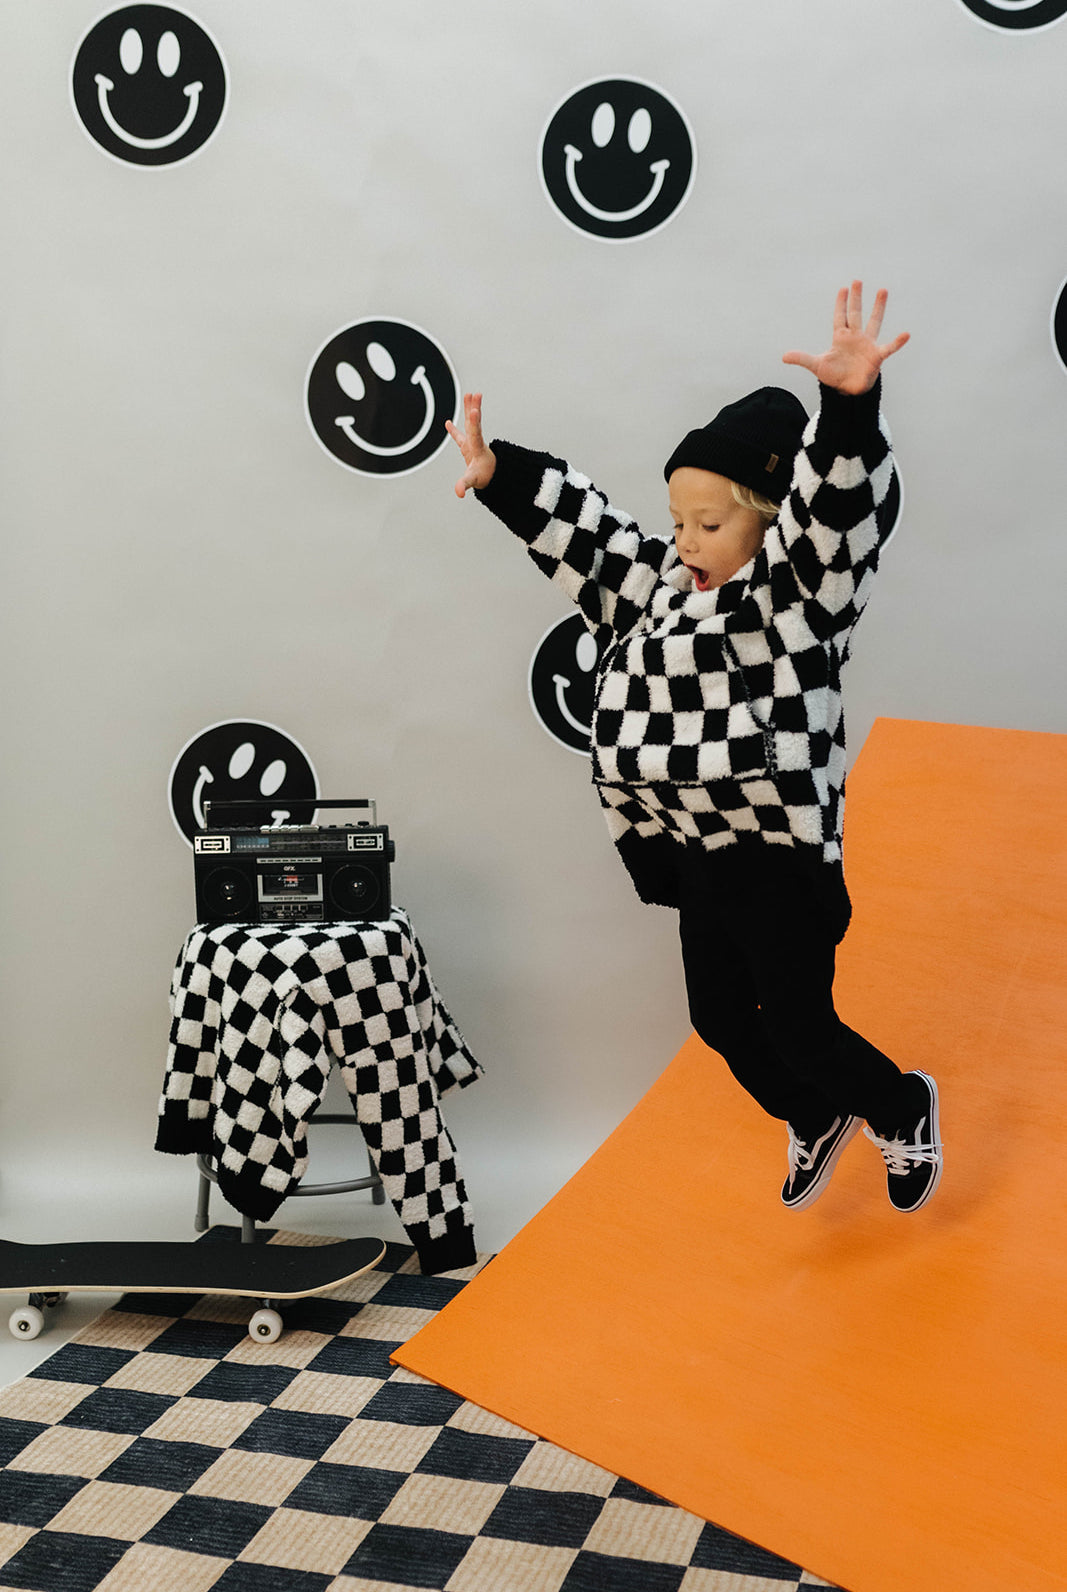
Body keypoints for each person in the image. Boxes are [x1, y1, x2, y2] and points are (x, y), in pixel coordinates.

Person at [446, 283, 943, 1214]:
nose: (686, 544)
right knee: (716, 1019)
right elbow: (589, 541)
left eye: (709, 525)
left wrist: (846, 414)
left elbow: (837, 524)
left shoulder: (796, 600)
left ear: (767, 513)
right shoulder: (660, 589)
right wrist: (500, 478)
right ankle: (812, 1117)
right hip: (699, 852)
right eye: (678, 522)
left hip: (780, 856)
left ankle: (900, 1106)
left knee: (799, 1023)